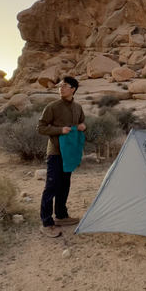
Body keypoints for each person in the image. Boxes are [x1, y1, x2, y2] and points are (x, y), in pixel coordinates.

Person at [37, 76, 86, 238]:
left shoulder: (78, 107)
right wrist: (59, 130)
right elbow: (41, 128)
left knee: (65, 184)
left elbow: (83, 123)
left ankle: (61, 216)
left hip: (70, 152)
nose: (61, 88)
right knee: (51, 186)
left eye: (65, 86)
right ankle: (46, 222)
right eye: (60, 86)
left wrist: (83, 126)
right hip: (56, 153)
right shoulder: (53, 107)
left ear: (73, 89)